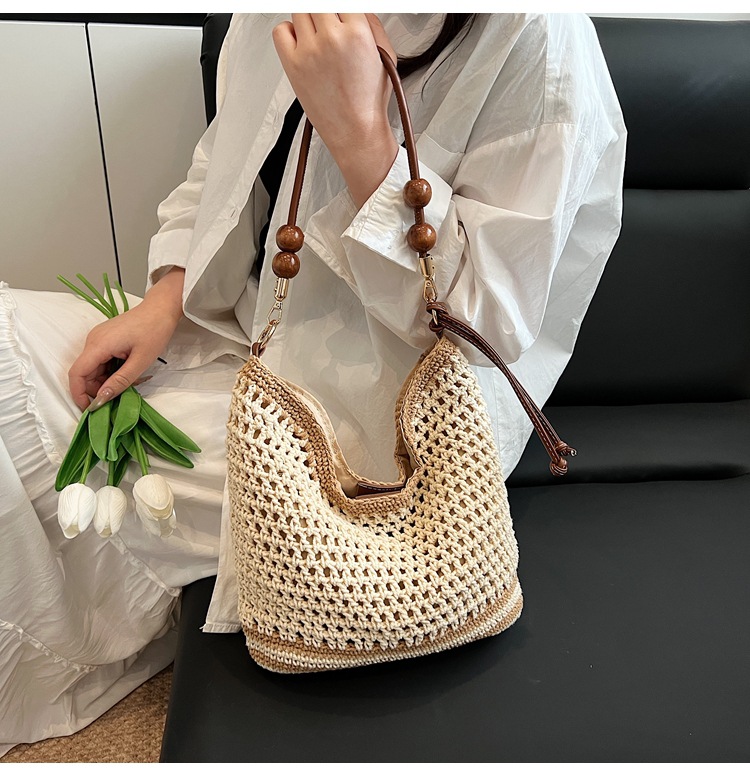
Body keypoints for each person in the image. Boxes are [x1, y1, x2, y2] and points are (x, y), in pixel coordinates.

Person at [0, 13, 626, 754]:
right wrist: (164, 298)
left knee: (54, 447)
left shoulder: (536, 39)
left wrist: (362, 137)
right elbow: (219, 165)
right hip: (235, 328)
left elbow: (484, 326)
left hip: (396, 418)